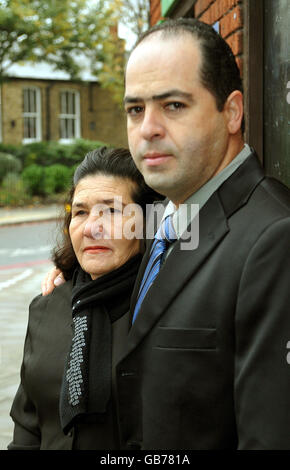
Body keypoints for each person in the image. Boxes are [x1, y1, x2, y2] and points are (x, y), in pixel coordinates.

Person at [42, 19, 290, 450]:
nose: (148, 128)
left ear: (232, 112)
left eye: (173, 105)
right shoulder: (168, 214)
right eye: (135, 109)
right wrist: (74, 273)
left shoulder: (275, 238)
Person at [8, 147, 160, 450]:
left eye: (112, 211)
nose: (91, 228)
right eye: (80, 212)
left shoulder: (164, 306)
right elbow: (28, 424)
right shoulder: (47, 306)